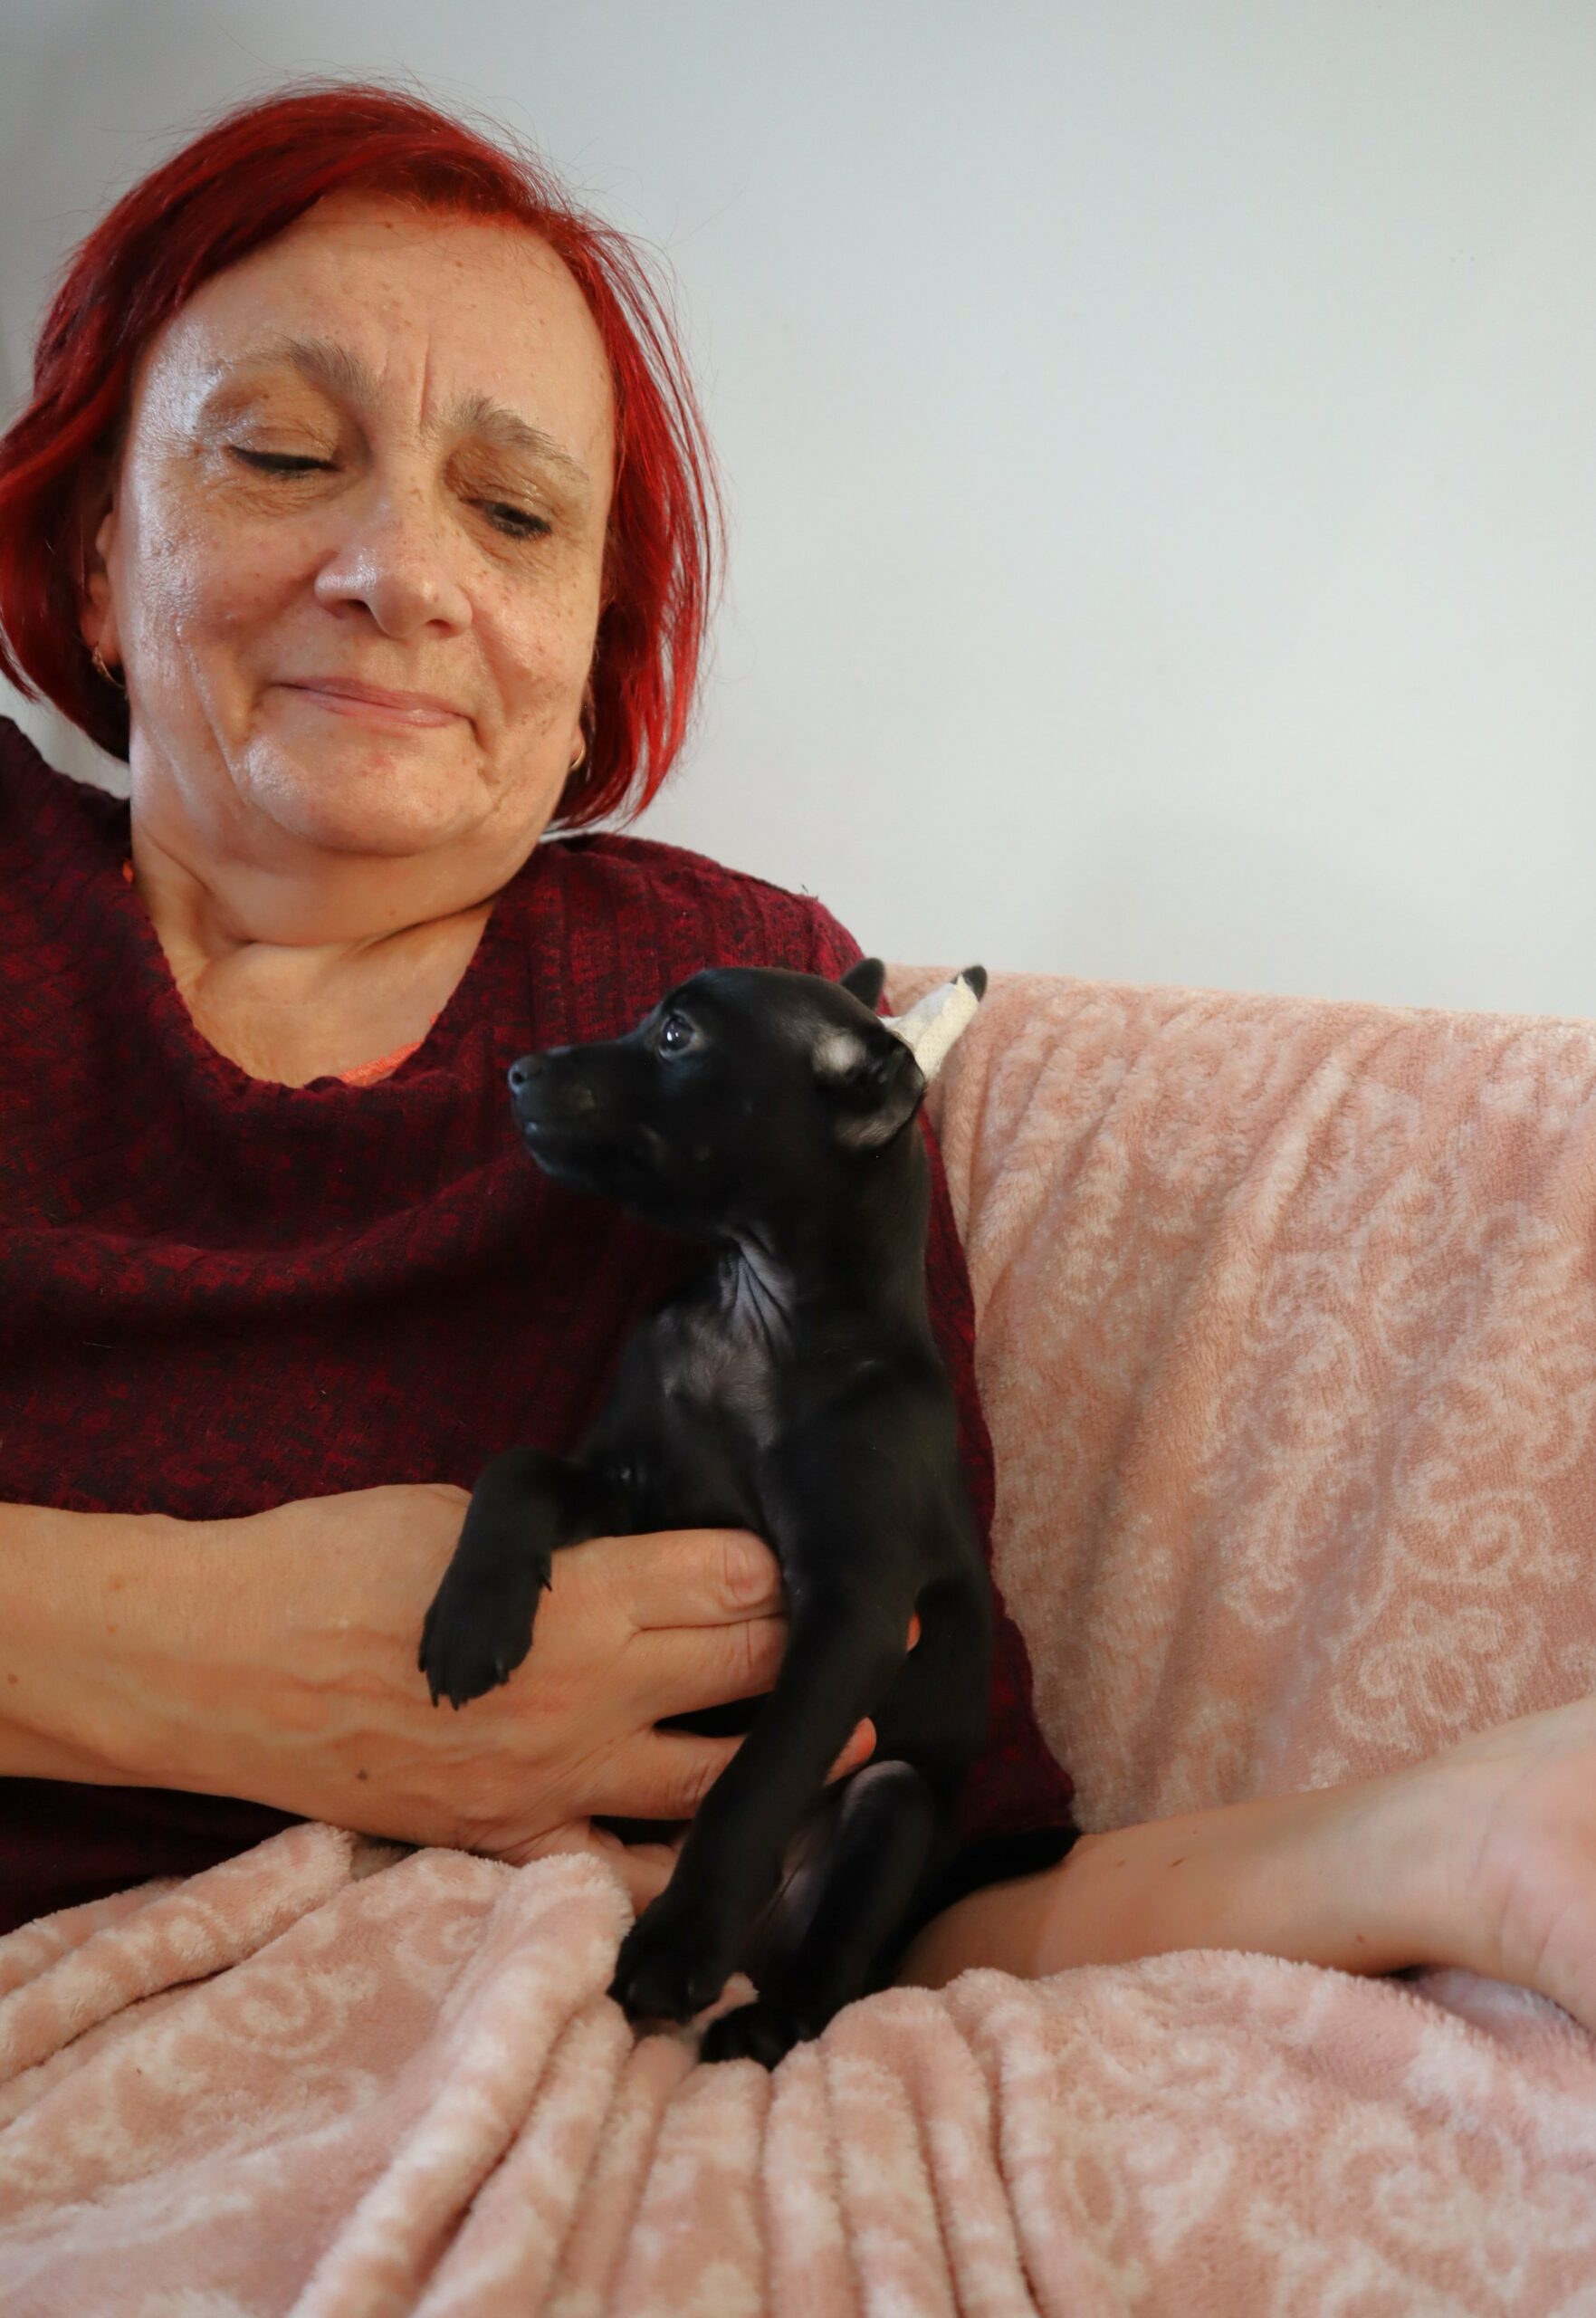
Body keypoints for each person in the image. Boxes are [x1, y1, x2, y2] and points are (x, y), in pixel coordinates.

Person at [0, 81, 1592, 2039]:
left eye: (514, 513)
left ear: (588, 651)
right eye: (280, 453)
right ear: (95, 553)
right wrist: (204, 1656)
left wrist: (1460, 1840)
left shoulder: (730, 999)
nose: (400, 569)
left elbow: (927, 1858)